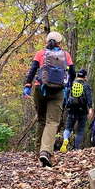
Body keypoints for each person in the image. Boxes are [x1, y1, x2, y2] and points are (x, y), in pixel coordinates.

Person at [23, 31, 75, 167]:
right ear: (60, 42)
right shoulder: (66, 55)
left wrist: (28, 85)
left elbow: (33, 69)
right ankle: (45, 151)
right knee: (52, 122)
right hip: (58, 91)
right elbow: (72, 73)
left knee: (41, 119)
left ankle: (38, 151)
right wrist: (68, 87)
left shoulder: (40, 53)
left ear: (47, 41)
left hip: (40, 89)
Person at [60, 69, 94, 152]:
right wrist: (90, 109)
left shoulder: (71, 84)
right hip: (82, 110)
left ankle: (65, 139)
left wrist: (64, 107)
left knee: (68, 128)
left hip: (71, 109)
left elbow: (66, 96)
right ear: (85, 77)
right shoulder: (86, 85)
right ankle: (76, 148)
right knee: (80, 130)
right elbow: (89, 98)